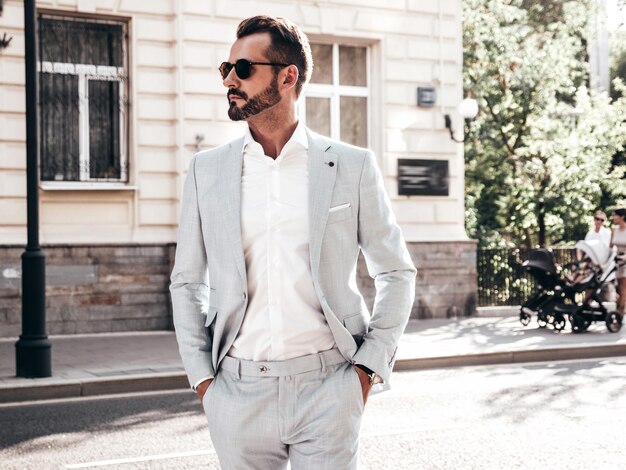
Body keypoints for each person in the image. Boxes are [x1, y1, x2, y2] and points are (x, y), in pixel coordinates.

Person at [169, 15, 416, 469]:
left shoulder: (351, 165)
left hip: (328, 388)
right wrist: (203, 381)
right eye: (226, 68)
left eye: (243, 69)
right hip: (238, 393)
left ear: (287, 76)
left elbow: (396, 271)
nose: (229, 79)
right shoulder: (207, 171)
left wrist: (367, 370)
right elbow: (187, 282)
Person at [610, 207, 626, 314]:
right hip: (617, 260)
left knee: (623, 286)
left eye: (615, 215)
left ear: (622, 217)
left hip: (625, 260)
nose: (613, 217)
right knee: (617, 287)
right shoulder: (614, 230)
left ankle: (621, 310)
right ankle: (619, 307)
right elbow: (609, 247)